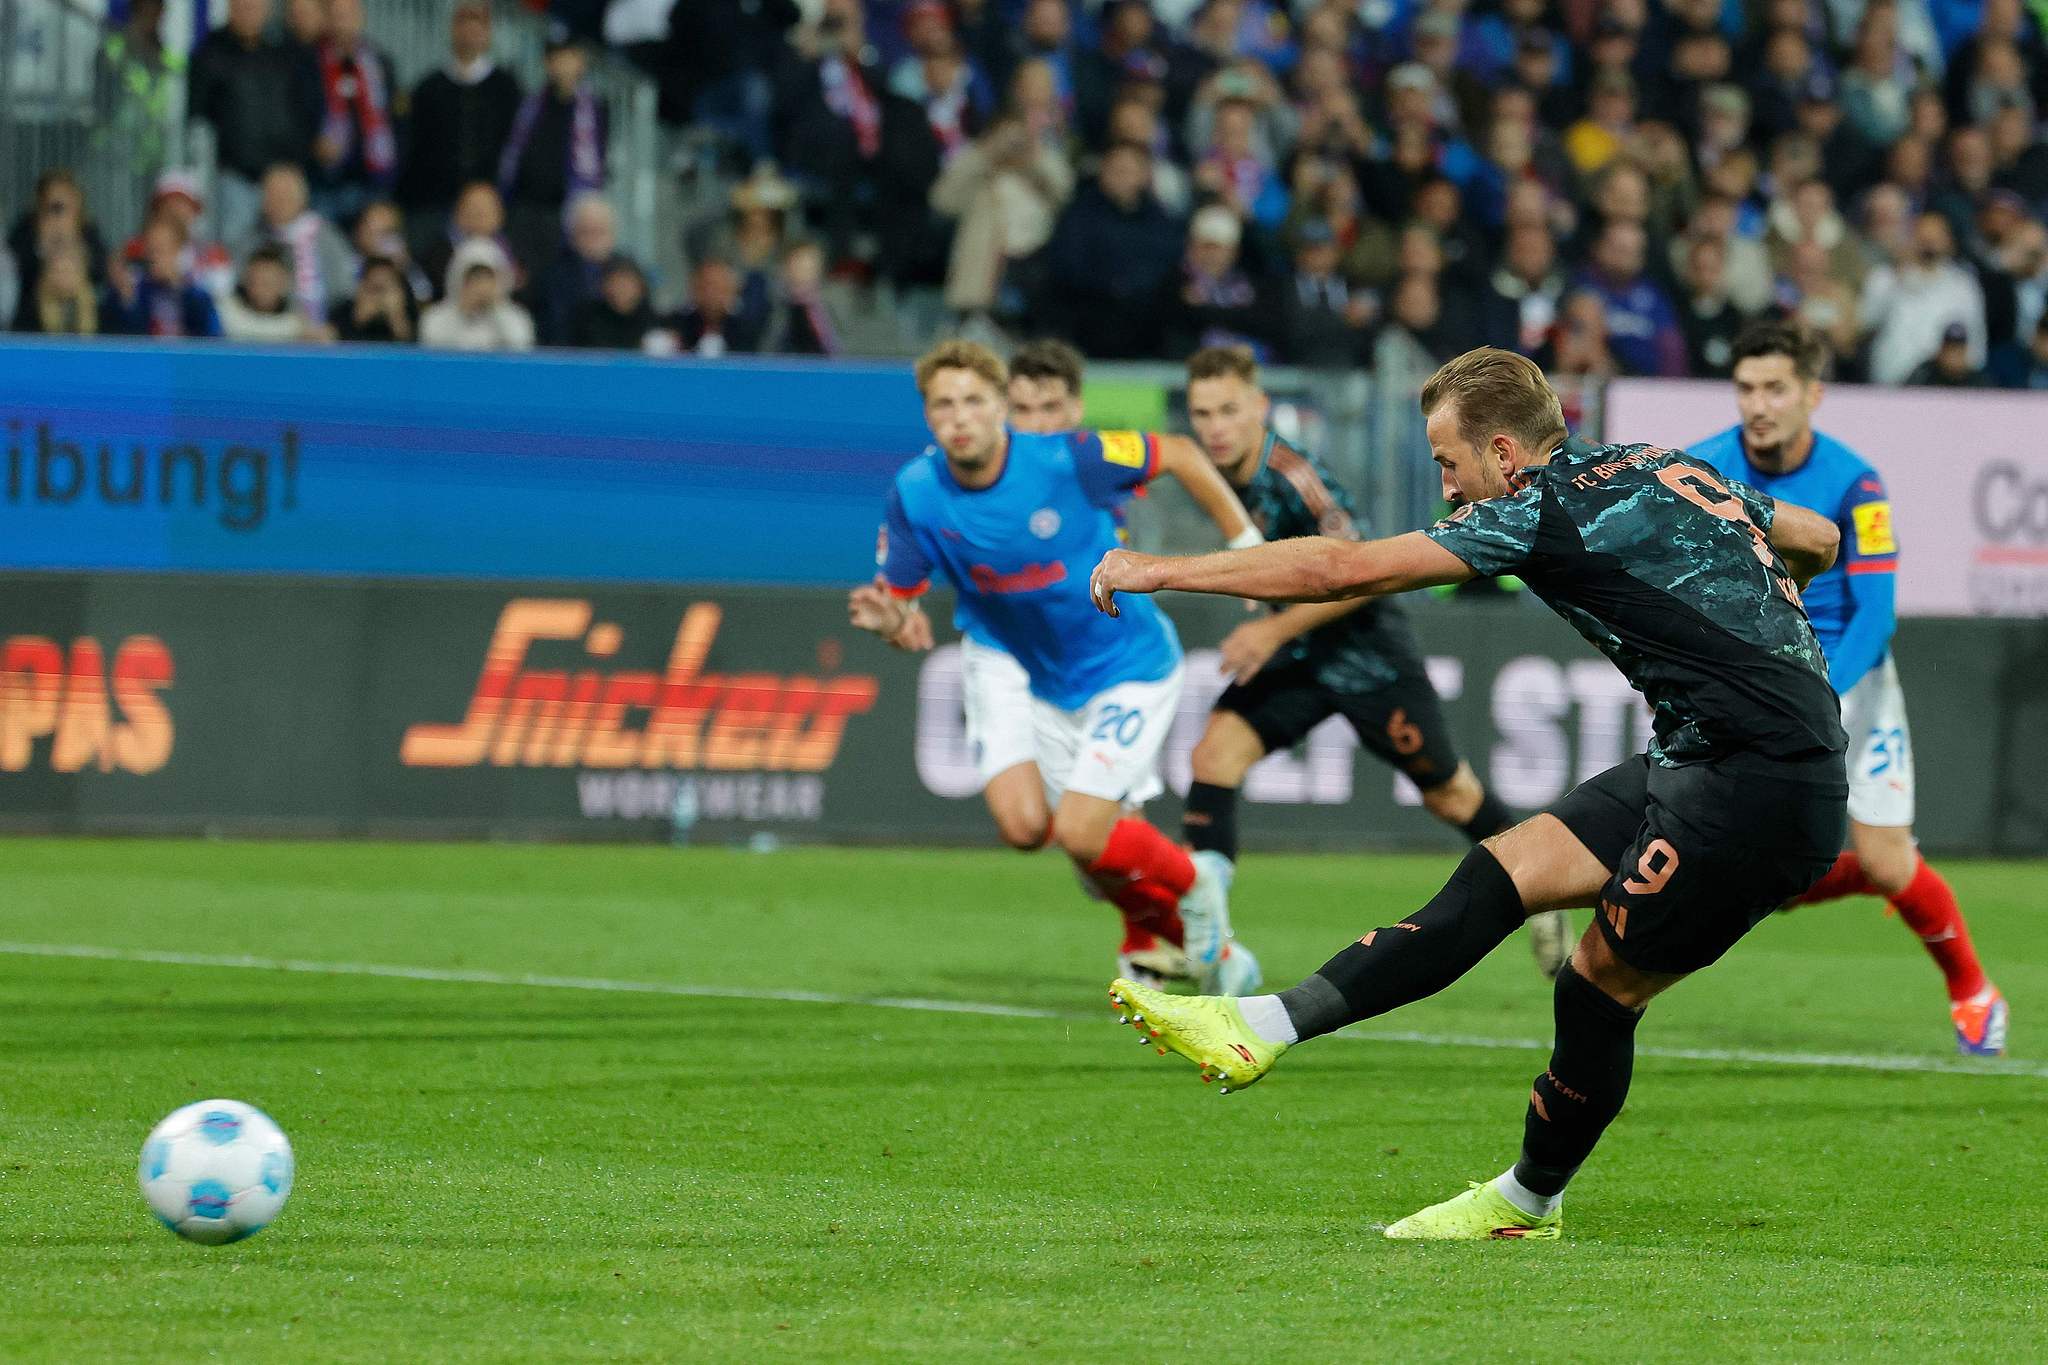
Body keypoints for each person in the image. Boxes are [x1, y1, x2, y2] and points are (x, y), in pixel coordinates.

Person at [1095, 345, 1848, 1239]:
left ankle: (1528, 1203)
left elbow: (1342, 571)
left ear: (1502, 452)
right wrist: (1756, 633)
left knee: (1598, 986)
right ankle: (1262, 1023)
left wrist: (1158, 569)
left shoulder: (1537, 510)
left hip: (1758, 788)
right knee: (1501, 869)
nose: (1448, 488)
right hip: (1703, 754)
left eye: (1449, 463)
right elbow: (1816, 538)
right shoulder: (1656, 462)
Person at [848, 339, 1265, 995]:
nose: (959, 417)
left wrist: (1247, 550)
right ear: (928, 416)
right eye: (943, 404)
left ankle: (1191, 887)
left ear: (997, 410)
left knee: (1082, 829)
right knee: (1051, 835)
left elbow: (1180, 452)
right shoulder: (916, 493)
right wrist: (892, 622)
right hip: (1035, 673)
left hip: (1128, 661)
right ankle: (1199, 939)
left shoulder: (1069, 458)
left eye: (973, 401)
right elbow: (902, 606)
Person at [1175, 344, 1571, 978]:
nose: (1215, 427)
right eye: (1202, 414)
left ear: (1259, 407)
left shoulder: (1294, 473)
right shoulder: (1226, 479)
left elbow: (1356, 572)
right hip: (1304, 661)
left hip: (1367, 659)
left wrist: (1272, 631)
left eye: (1227, 410)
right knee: (1213, 757)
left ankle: (1543, 891)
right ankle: (1209, 945)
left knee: (1450, 795)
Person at [1687, 322, 2005, 1055]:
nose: (1758, 405)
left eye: (1775, 389)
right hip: (1747, 686)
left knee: (1890, 858)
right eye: (1745, 389)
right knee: (1772, 881)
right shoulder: (1699, 468)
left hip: (1845, 679)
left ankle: (1973, 991)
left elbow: (1877, 611)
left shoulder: (1856, 482)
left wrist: (1820, 689)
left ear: (1812, 394)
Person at [419, 238, 534, 351]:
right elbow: (433, 351)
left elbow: (520, 350)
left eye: (488, 278)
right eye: (474, 278)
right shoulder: (435, 317)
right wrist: (463, 310)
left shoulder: (516, 317)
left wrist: (497, 309)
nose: (481, 286)